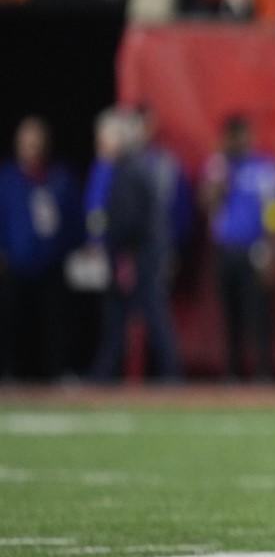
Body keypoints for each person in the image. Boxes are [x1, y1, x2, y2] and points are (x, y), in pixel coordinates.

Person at [88, 109, 181, 382]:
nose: (101, 145)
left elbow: (128, 218)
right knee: (123, 314)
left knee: (147, 312)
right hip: (141, 251)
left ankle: (170, 373)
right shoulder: (134, 166)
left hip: (139, 253)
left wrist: (109, 243)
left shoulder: (129, 169)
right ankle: (105, 371)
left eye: (104, 139)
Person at [201, 115, 275, 380]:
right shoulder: (218, 166)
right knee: (229, 314)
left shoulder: (263, 167)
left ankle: (263, 372)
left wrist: (271, 249)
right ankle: (232, 372)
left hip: (255, 249)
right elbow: (206, 202)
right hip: (225, 249)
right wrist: (219, 174)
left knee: (258, 314)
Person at [0, 116, 79, 380]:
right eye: (26, 143)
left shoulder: (60, 178)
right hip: (15, 263)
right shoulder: (7, 179)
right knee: (11, 321)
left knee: (56, 322)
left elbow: (73, 219)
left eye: (36, 142)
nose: (31, 148)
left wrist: (67, 250)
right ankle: (10, 373)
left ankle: (58, 373)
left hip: (52, 263)